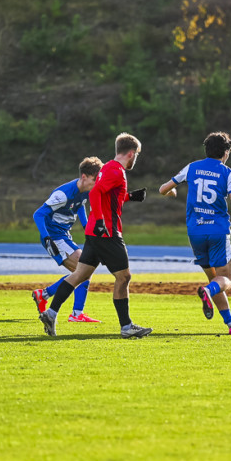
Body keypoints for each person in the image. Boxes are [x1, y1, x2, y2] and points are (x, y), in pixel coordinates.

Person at [38, 133, 152, 339]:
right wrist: (100, 220)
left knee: (80, 275)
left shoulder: (108, 168)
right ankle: (126, 326)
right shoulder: (117, 171)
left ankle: (50, 312)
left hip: (94, 231)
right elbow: (96, 192)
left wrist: (130, 196)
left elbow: (108, 196)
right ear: (131, 153)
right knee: (124, 276)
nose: (137, 158)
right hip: (106, 231)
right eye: (137, 155)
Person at [158, 131, 231, 334]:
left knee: (215, 280)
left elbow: (163, 188)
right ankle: (207, 292)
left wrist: (171, 191)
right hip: (217, 232)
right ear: (225, 152)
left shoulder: (192, 167)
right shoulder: (228, 173)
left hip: (195, 232)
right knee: (225, 280)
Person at [31, 156, 102, 324]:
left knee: (83, 271)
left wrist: (88, 228)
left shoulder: (86, 191)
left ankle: (45, 295)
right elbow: (38, 214)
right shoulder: (63, 194)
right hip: (54, 237)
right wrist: (47, 238)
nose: (96, 184)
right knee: (84, 269)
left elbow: (80, 206)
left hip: (63, 235)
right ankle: (76, 313)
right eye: (94, 180)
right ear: (84, 177)